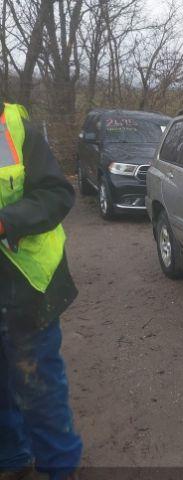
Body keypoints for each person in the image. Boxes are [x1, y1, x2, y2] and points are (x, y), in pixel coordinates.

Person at [0, 102, 82, 480]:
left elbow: (57, 193)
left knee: (39, 391)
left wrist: (6, 221)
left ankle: (59, 470)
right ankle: (13, 459)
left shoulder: (14, 129)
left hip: (25, 289)